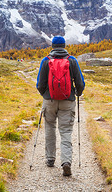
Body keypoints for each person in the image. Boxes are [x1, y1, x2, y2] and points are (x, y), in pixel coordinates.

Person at [36, 36, 85, 176]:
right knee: (66, 131)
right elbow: (80, 83)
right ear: (64, 45)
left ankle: (50, 159)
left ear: (52, 46)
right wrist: (78, 93)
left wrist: (45, 95)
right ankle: (66, 162)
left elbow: (40, 84)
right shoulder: (72, 60)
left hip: (49, 101)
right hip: (67, 100)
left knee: (50, 127)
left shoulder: (46, 61)